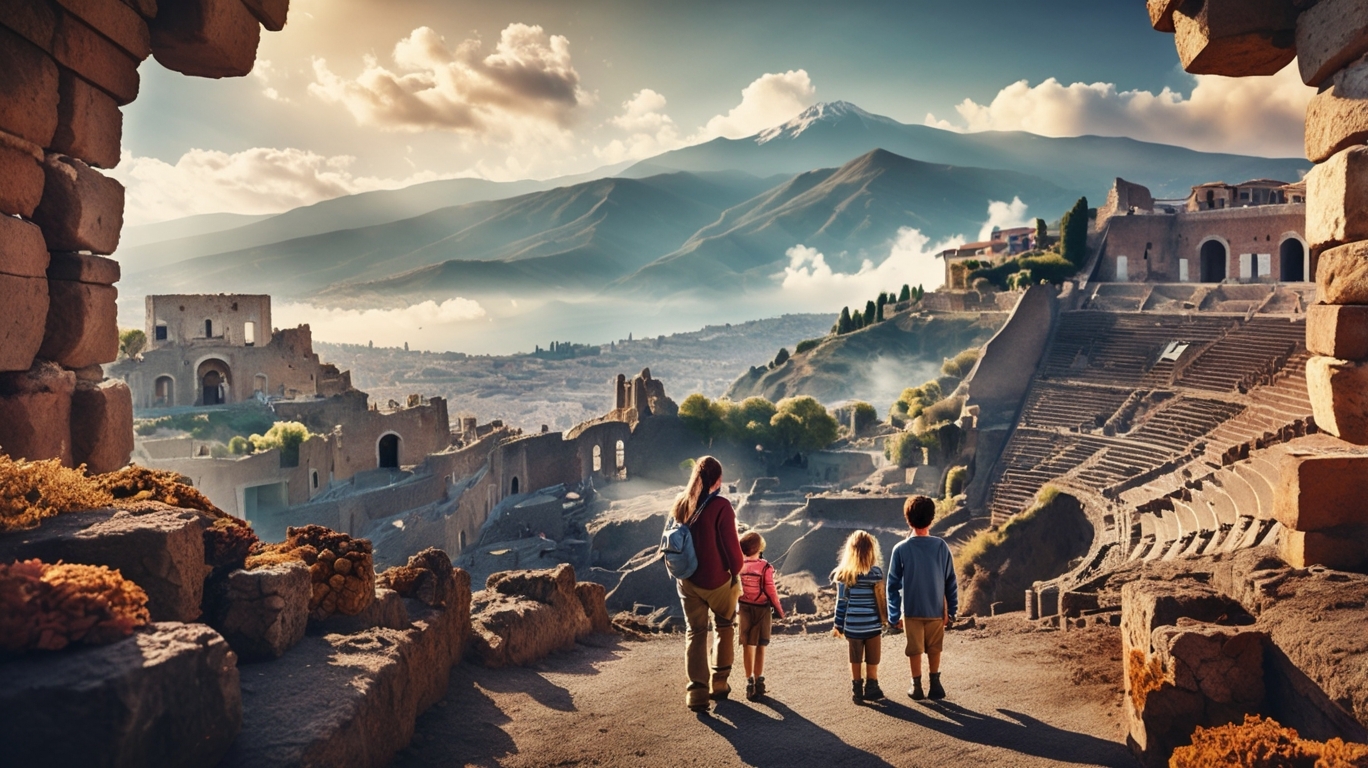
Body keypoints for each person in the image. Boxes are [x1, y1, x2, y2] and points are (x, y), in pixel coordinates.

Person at [672, 456, 744, 712]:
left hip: (687, 581)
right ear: (717, 479)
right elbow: (734, 553)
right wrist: (735, 573)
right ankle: (720, 683)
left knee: (695, 632)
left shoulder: (681, 503)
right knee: (724, 626)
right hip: (715, 581)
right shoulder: (722, 506)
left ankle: (697, 693)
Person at [886, 495, 958, 701]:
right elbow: (950, 581)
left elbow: (892, 586)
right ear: (932, 518)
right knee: (935, 647)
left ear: (908, 519)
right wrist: (951, 611)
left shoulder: (900, 549)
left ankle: (916, 685)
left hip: (911, 610)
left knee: (914, 648)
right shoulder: (941, 546)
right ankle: (935, 683)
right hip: (936, 610)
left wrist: (894, 615)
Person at [831, 530, 887, 702]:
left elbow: (842, 603)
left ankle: (857, 688)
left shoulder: (844, 575)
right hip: (873, 625)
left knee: (855, 657)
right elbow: (882, 598)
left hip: (853, 626)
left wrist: (838, 624)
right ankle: (872, 685)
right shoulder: (876, 573)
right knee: (873, 657)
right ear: (871, 551)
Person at [737, 531, 785, 700]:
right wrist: (779, 610)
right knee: (761, 645)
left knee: (747, 645)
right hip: (762, 609)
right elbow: (771, 590)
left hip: (743, 608)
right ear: (760, 548)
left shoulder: (738, 564)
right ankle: (759, 680)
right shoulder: (765, 567)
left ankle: (749, 682)